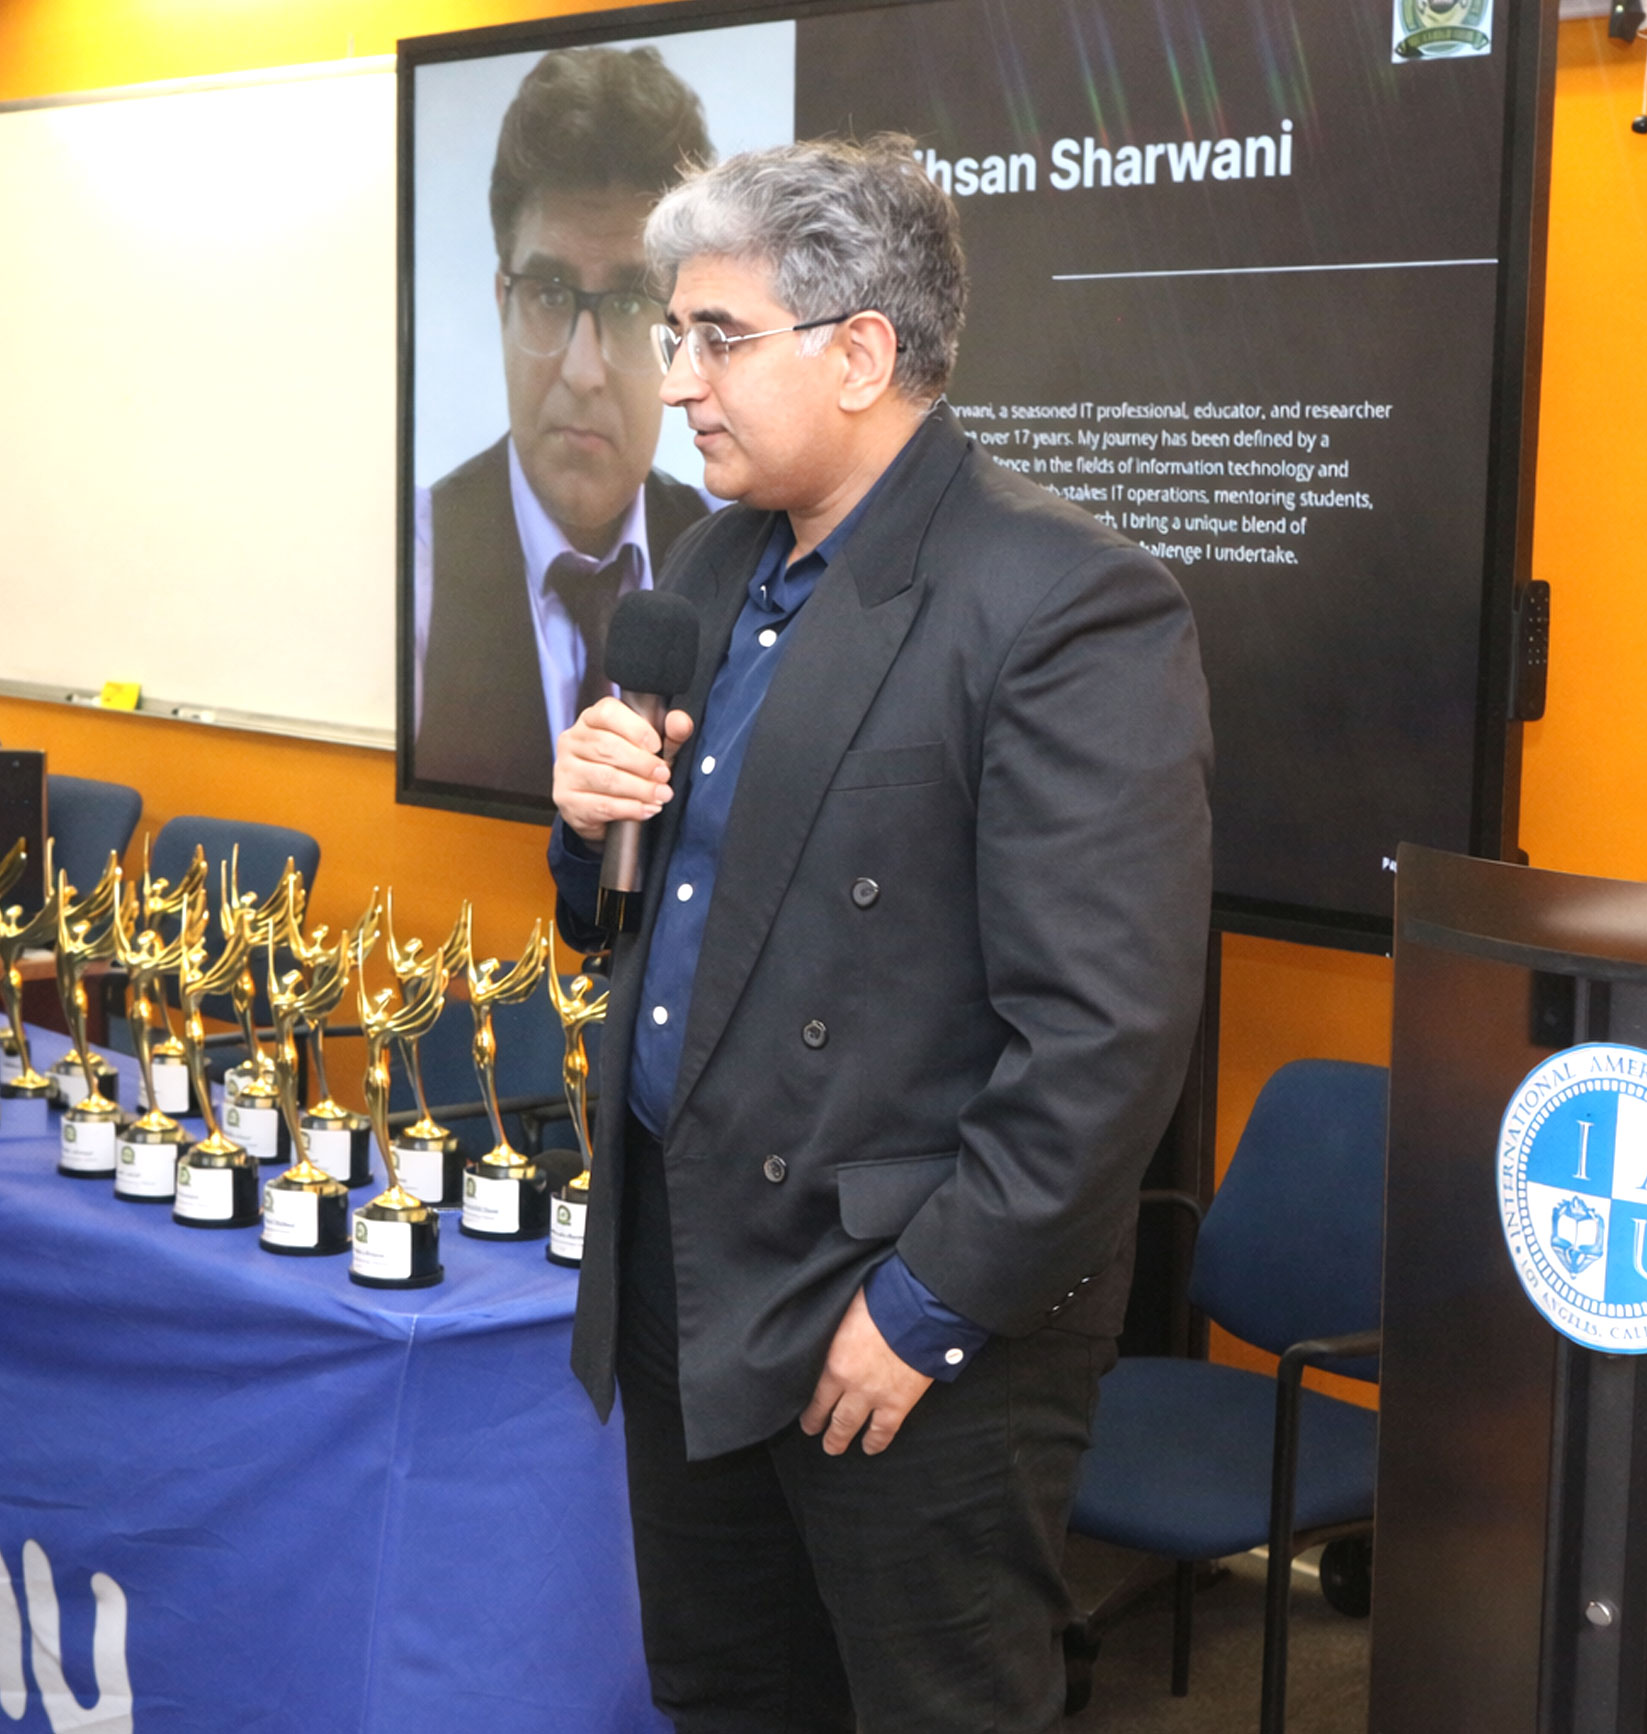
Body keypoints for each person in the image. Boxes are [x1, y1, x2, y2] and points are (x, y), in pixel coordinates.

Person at [548, 136, 1213, 1732]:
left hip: (899, 1307)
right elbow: (632, 920)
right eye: (673, 336)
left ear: (858, 355)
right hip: (688, 1268)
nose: (676, 381)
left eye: (717, 338)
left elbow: (1103, 1038)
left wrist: (924, 1309)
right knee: (726, 1692)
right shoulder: (709, 562)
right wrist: (585, 821)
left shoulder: (1063, 602)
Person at [414, 46, 714, 803]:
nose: (584, 371)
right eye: (549, 293)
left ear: (680, 328)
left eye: (630, 302)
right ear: (502, 304)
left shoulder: (734, 563)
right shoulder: (417, 566)